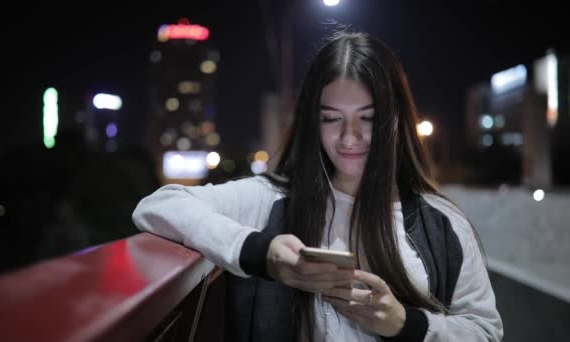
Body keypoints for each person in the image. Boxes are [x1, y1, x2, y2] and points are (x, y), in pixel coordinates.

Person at [132, 31, 503, 342]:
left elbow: (485, 331)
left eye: (368, 118)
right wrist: (262, 254)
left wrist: (405, 324)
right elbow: (158, 205)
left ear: (395, 119)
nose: (349, 137)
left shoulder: (439, 222)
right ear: (313, 121)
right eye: (331, 119)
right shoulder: (272, 201)